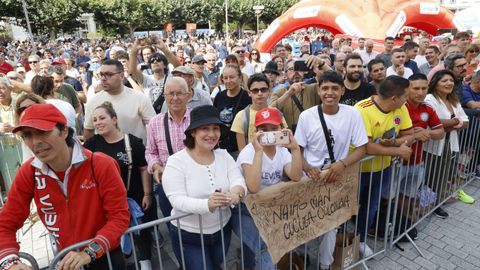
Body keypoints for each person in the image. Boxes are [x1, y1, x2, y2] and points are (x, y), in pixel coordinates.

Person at [0, 103, 130, 270]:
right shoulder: (29, 172)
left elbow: (119, 217)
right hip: (66, 260)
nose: (35, 142)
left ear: (64, 131)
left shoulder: (100, 164)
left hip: (106, 256)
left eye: (42, 132)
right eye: (27, 135)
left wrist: (88, 253)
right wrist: (10, 262)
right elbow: (5, 222)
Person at [295, 71, 368, 269]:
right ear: (318, 91)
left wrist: (341, 164)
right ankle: (302, 260)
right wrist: (308, 167)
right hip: (309, 181)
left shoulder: (352, 114)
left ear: (342, 90)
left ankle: (324, 264)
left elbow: (362, 147)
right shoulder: (306, 116)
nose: (330, 93)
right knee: (305, 225)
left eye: (335, 88)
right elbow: (298, 150)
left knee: (330, 227)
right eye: (325, 88)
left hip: (335, 179)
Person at [162, 105, 247, 270]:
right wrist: (207, 204)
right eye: (205, 129)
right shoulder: (176, 161)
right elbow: (176, 200)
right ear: (193, 132)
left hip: (222, 230)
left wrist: (237, 194)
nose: (212, 134)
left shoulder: (224, 155)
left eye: (216, 128)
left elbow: (238, 180)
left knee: (216, 265)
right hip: (188, 235)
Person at [84, 102, 155, 270]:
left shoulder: (133, 142)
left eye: (102, 118)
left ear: (114, 119)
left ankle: (146, 262)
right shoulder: (92, 144)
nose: (98, 123)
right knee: (113, 232)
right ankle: (123, 260)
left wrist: (147, 193)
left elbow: (144, 168)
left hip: (134, 195)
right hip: (106, 200)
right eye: (94, 120)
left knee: (141, 231)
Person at [234, 107, 302, 269]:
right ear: (256, 132)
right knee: (265, 247)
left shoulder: (282, 150)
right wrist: (258, 151)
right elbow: (253, 187)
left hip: (269, 209)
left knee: (255, 248)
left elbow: (296, 175)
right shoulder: (248, 152)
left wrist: (295, 149)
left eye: (273, 129)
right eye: (263, 130)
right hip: (245, 211)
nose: (269, 134)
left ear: (281, 129)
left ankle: (245, 265)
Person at [354, 76, 414, 257]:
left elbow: (409, 134)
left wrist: (395, 142)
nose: (407, 100)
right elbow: (367, 146)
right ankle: (341, 243)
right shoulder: (362, 110)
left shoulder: (401, 107)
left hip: (383, 169)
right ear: (394, 98)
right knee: (348, 207)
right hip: (357, 170)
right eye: (406, 96)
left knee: (371, 206)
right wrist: (398, 150)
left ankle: (361, 240)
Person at [424, 70, 470, 218]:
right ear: (436, 84)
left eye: (451, 80)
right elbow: (433, 122)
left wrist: (450, 124)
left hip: (449, 143)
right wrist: (456, 121)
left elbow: (466, 121)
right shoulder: (430, 99)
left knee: (441, 176)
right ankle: (425, 204)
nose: (449, 83)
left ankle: (435, 204)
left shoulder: (454, 100)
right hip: (432, 145)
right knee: (429, 174)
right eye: (444, 81)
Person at [145, 77, 192, 219]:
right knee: (172, 224)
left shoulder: (198, 119)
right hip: (168, 183)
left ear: (188, 95)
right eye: (171, 94)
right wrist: (156, 166)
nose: (175, 98)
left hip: (195, 180)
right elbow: (150, 152)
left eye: (179, 93)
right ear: (165, 97)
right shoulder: (155, 122)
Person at [398, 74, 444, 215]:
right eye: (416, 88)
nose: (421, 92)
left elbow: (440, 132)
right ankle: (386, 227)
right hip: (396, 163)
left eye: (424, 88)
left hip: (417, 162)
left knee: (409, 195)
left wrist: (427, 133)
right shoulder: (399, 107)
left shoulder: (427, 108)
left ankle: (404, 224)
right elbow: (390, 136)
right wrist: (413, 136)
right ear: (407, 90)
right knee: (388, 197)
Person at [83, 59, 156, 143]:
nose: (103, 78)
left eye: (109, 74)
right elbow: (88, 132)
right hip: (105, 154)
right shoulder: (94, 101)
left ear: (122, 76)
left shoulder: (139, 98)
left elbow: (155, 127)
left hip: (136, 153)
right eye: (101, 75)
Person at [231, 73, 287, 151]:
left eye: (263, 89)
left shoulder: (277, 113)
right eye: (255, 90)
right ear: (249, 93)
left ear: (269, 91)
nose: (260, 93)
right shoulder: (241, 116)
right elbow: (242, 150)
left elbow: (284, 143)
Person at [213, 64, 251, 155]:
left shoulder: (247, 97)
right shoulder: (219, 96)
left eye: (232, 77)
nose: (228, 81)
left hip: (240, 148)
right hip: (220, 148)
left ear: (240, 78)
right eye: (225, 78)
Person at [0, 76, 22, 194]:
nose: (0, 92)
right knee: (10, 179)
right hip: (4, 151)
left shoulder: (19, 103)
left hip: (22, 146)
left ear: (10, 89)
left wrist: (15, 128)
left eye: (2, 88)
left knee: (28, 175)